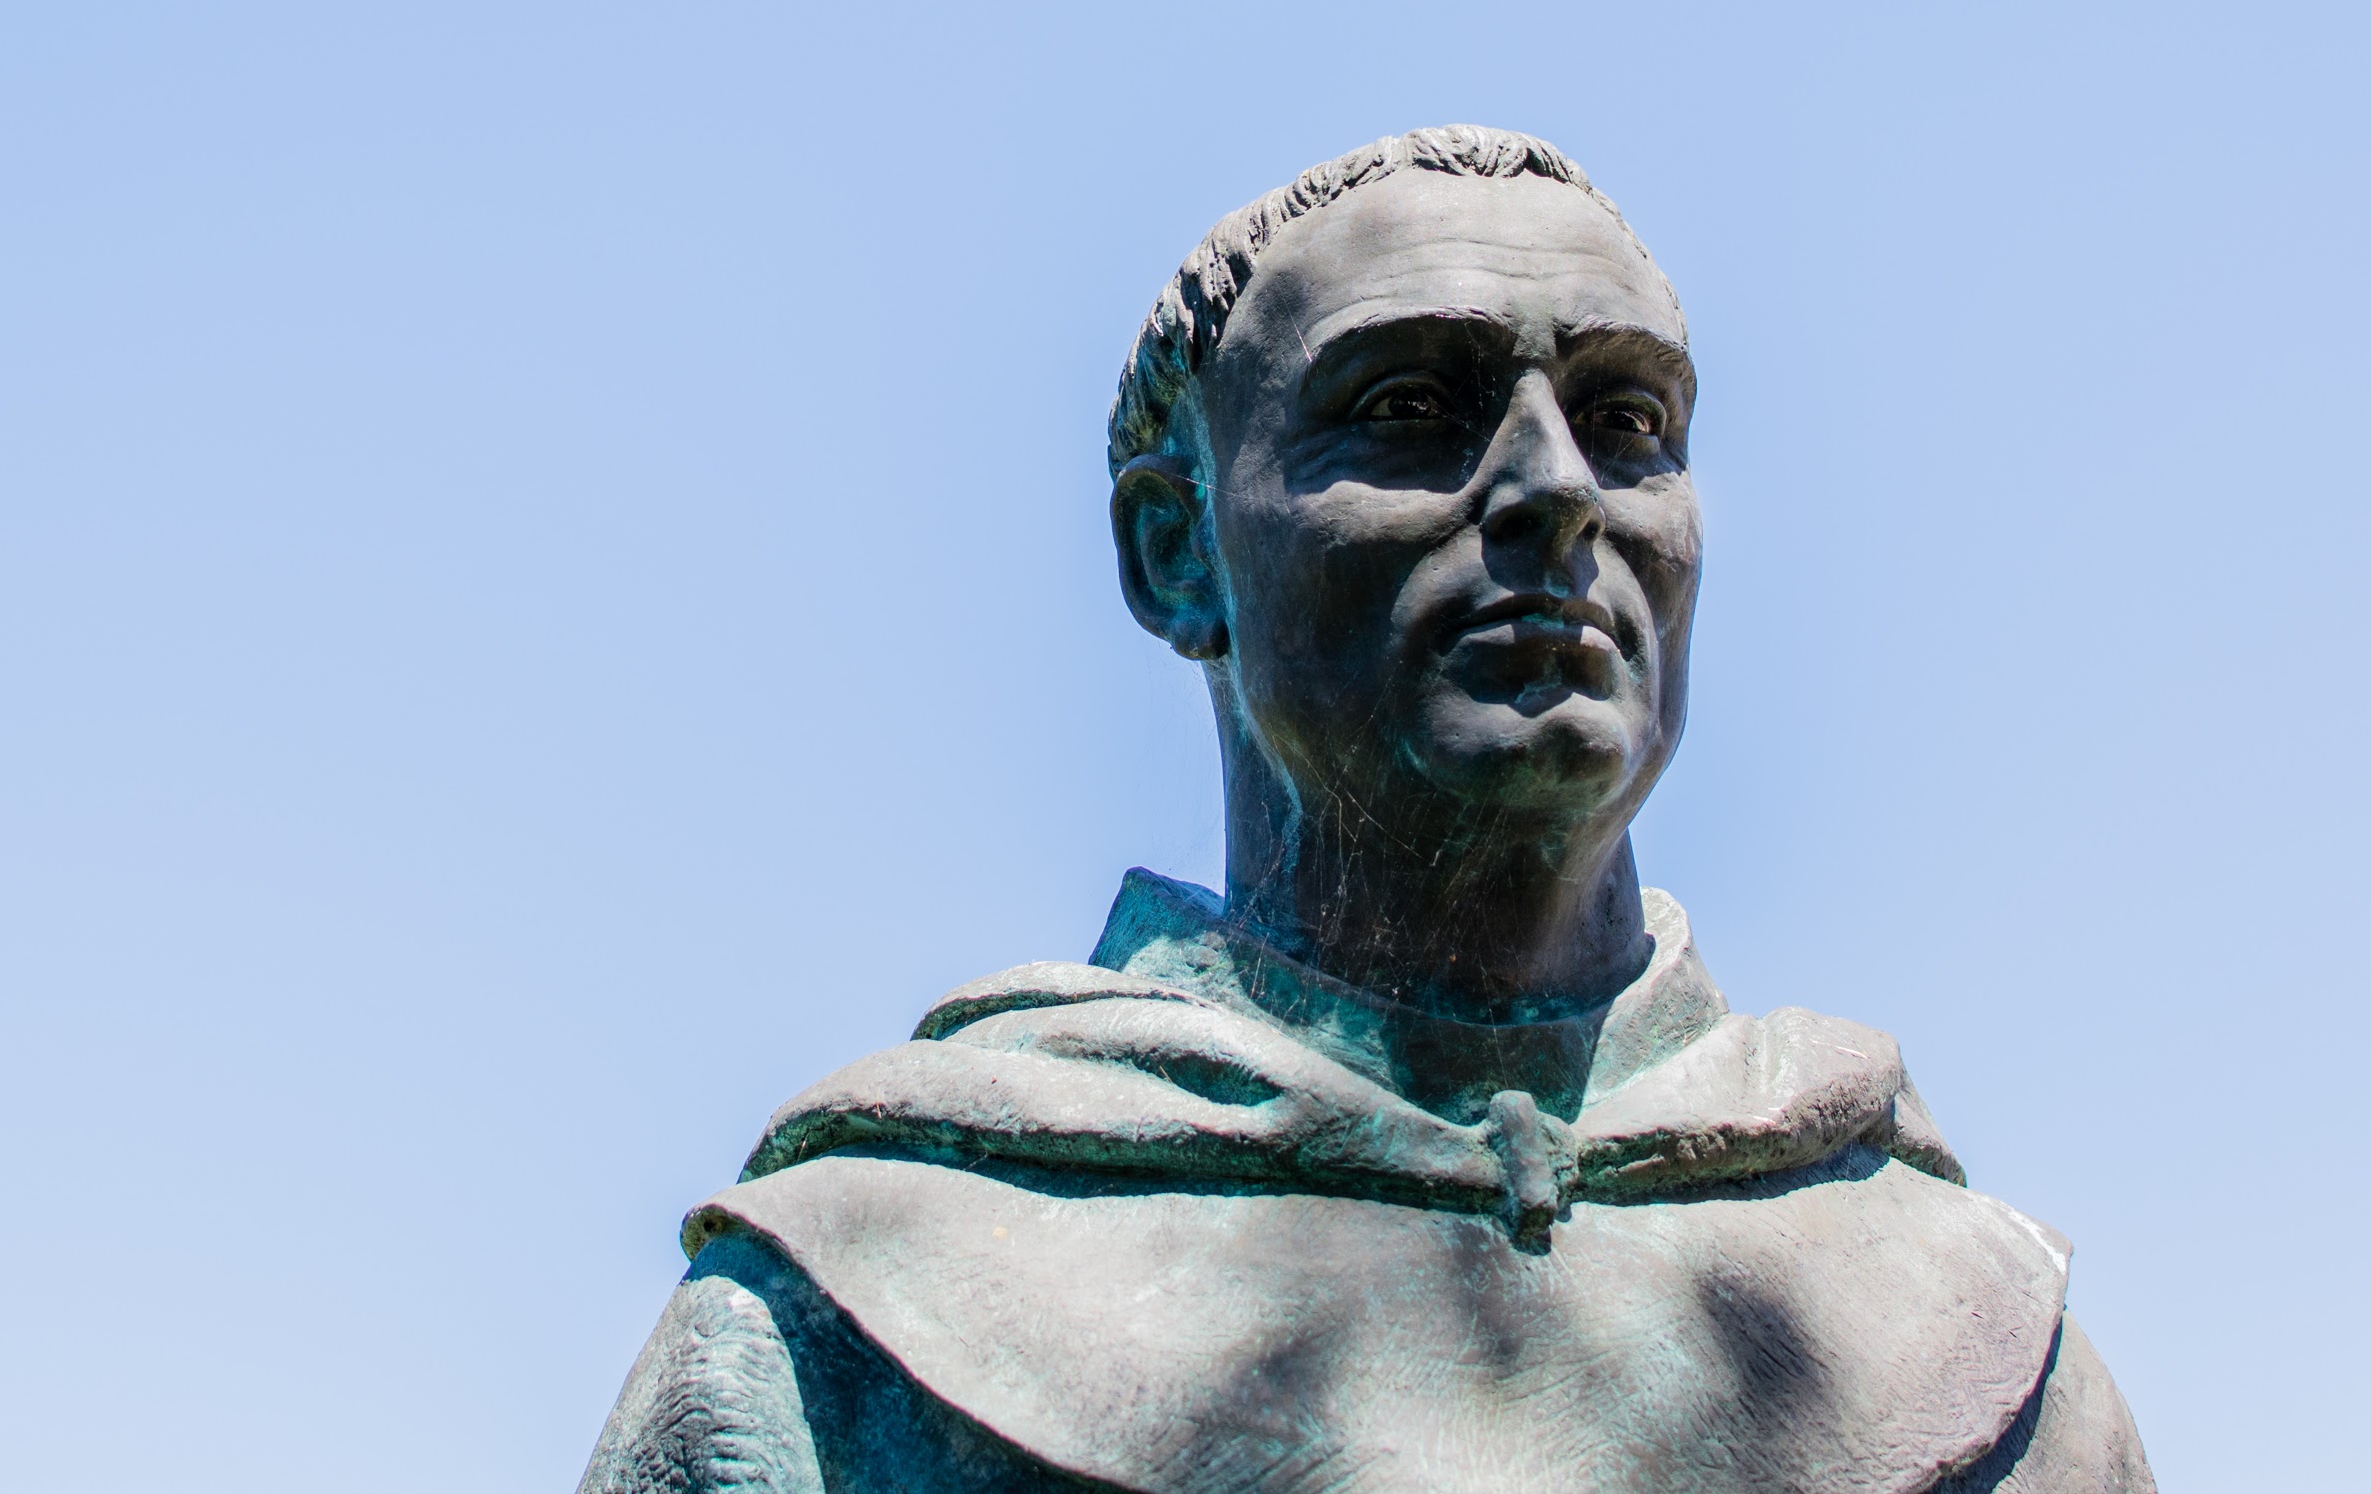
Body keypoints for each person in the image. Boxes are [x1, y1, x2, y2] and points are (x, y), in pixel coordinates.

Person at [582, 126, 2155, 1494]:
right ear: (1177, 550)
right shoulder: (847, 1314)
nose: (1553, 487)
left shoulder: (1971, 1335)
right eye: (1409, 406)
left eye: (1627, 423)